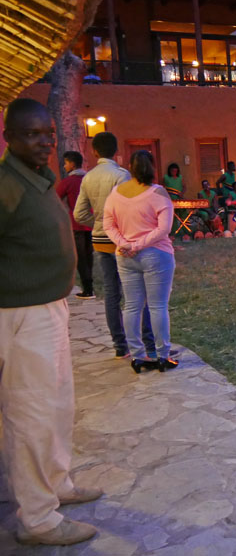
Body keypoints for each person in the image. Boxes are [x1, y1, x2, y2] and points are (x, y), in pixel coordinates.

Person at [1, 98, 101, 546]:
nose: (44, 142)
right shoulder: (5, 185)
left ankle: (58, 484)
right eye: (32, 134)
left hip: (50, 308)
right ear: (9, 138)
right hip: (19, 315)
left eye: (48, 134)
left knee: (58, 404)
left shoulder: (39, 178)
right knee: (32, 414)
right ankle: (38, 518)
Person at [75, 132, 158, 359]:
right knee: (138, 294)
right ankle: (148, 346)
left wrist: (99, 223)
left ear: (94, 151)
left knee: (112, 293)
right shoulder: (121, 176)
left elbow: (79, 213)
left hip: (101, 241)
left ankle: (120, 347)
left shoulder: (88, 178)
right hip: (124, 241)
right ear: (116, 151)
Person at [103, 150, 178, 373]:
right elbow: (164, 228)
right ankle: (163, 355)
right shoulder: (158, 193)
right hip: (156, 254)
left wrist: (124, 243)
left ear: (130, 167)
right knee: (157, 306)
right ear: (152, 167)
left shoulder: (116, 192)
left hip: (125, 257)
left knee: (132, 306)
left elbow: (108, 224)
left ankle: (137, 356)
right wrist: (136, 245)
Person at [56, 151, 94, 299]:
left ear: (72, 164)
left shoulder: (68, 182)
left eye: (65, 163)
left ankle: (88, 288)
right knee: (89, 254)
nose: (64, 166)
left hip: (76, 223)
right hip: (91, 222)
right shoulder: (89, 179)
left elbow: (56, 198)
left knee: (81, 256)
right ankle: (90, 286)